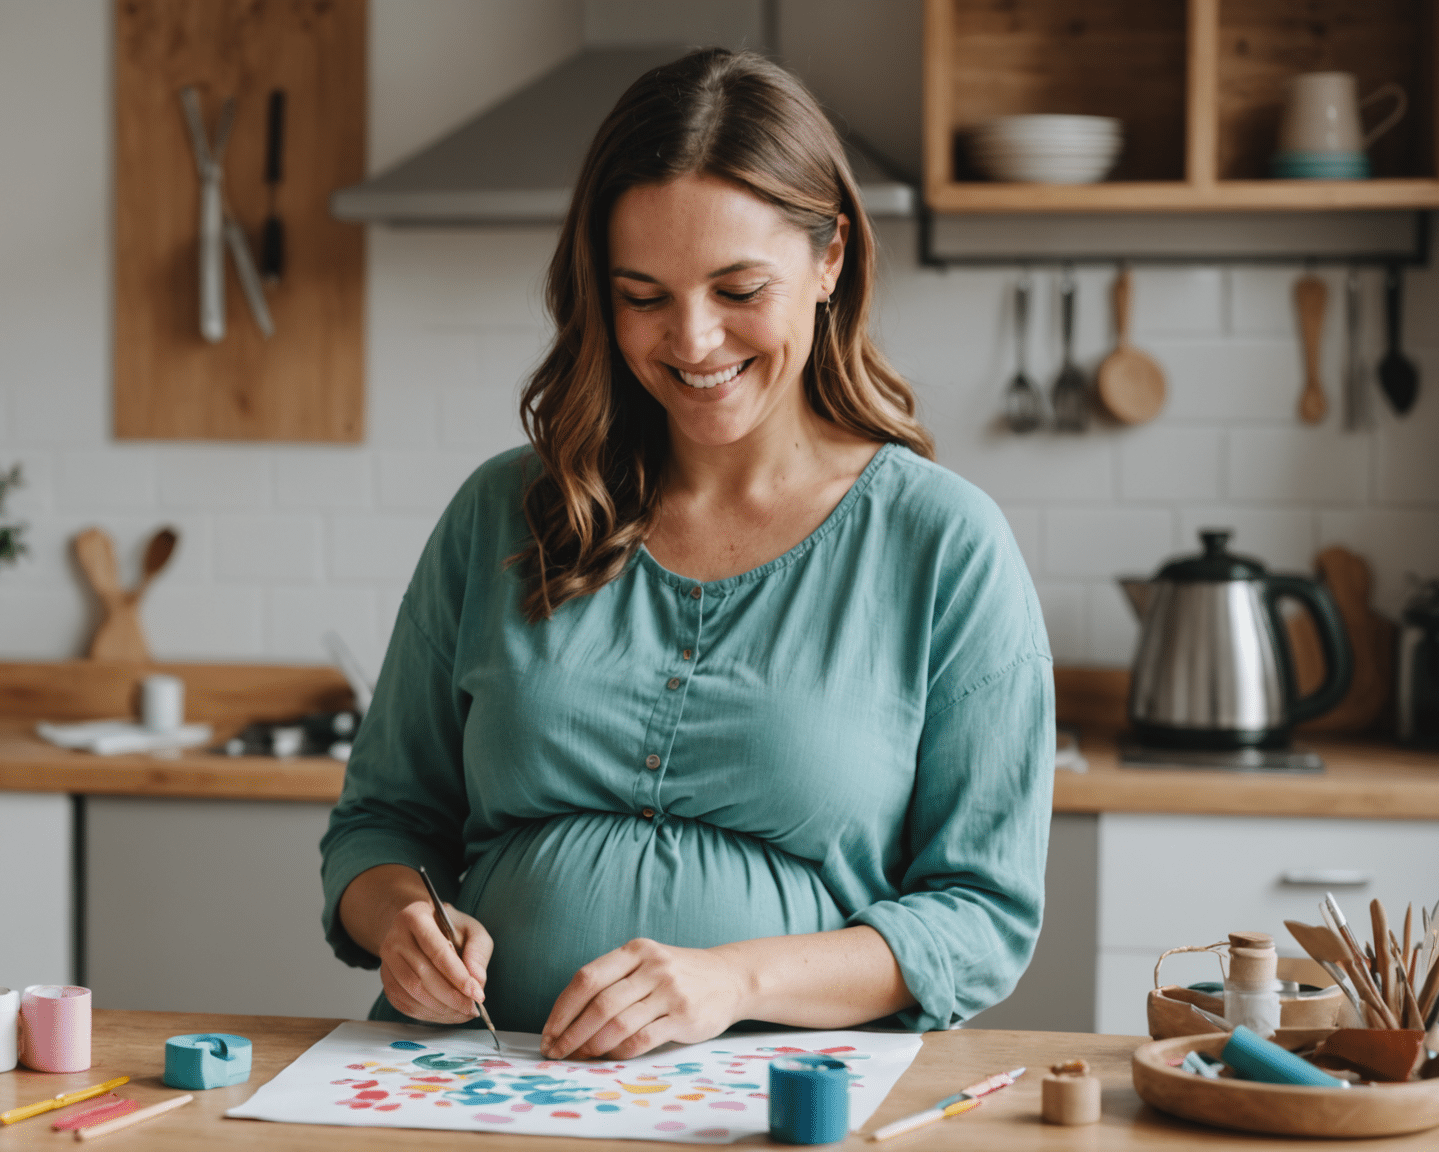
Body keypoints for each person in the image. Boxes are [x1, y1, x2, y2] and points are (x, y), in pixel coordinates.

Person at [320, 48, 1052, 1062]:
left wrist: (732, 979)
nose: (694, 339)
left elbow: (982, 918)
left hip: (781, 1099)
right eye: (643, 295)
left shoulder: (944, 546)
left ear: (829, 259)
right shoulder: (503, 511)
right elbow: (381, 824)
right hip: (469, 1087)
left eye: (738, 287)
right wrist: (398, 918)